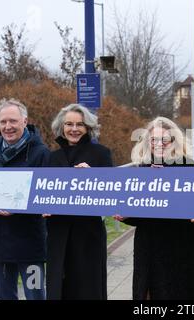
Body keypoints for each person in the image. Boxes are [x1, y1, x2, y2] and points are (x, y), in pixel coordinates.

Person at [114, 117, 194, 300]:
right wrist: (125, 216)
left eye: (164, 140)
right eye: (153, 139)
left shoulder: (190, 167)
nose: (159, 144)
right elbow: (136, 211)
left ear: (174, 142)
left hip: (181, 246)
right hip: (148, 246)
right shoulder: (140, 169)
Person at [0, 98, 49, 300]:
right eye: (3, 122)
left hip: (31, 246)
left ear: (24, 121)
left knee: (36, 295)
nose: (7, 126)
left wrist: (21, 207)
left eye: (12, 121)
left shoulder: (42, 154)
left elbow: (48, 197)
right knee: (4, 297)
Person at [44, 104, 112, 300]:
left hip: (88, 236)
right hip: (58, 235)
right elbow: (43, 192)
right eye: (69, 124)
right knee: (59, 289)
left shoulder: (101, 153)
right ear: (61, 127)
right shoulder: (52, 157)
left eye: (79, 125)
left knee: (88, 290)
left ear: (88, 127)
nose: (74, 129)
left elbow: (111, 194)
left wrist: (94, 177)